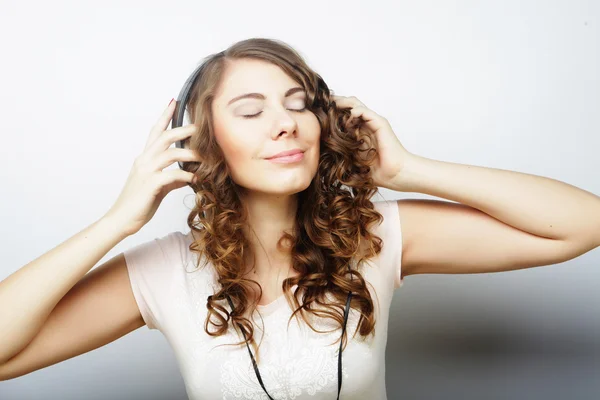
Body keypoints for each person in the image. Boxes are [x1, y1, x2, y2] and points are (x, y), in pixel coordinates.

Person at [1, 38, 599, 400]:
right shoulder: (162, 272)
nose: (285, 123)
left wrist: (410, 169)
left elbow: (583, 224)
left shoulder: (375, 237)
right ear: (203, 145)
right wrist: (117, 223)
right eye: (250, 110)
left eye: (298, 103)